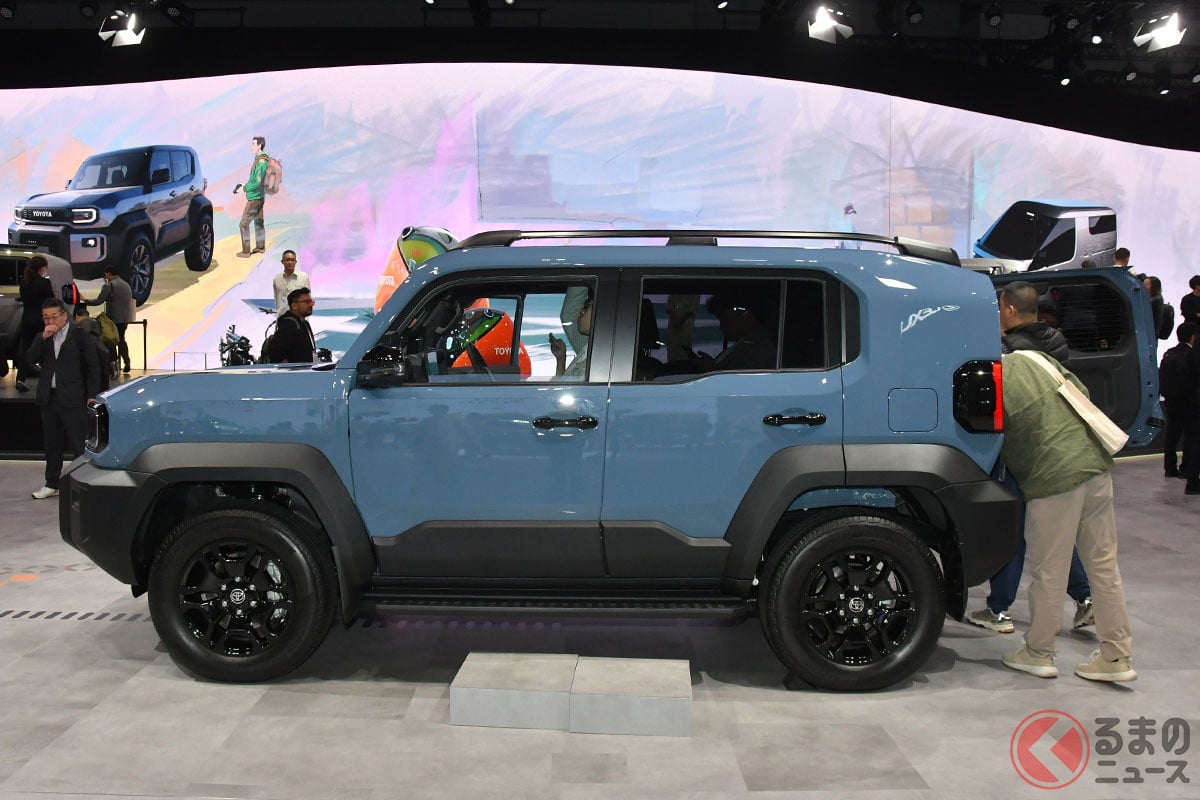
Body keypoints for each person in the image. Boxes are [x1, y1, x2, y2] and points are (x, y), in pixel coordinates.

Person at [998, 348, 1135, 682]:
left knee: (1050, 570)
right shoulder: (1035, 357)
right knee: (1103, 565)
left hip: (1052, 476)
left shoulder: (991, 375)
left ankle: (1039, 653)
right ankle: (1116, 657)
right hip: (1093, 464)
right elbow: (1079, 392)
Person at [969, 281, 1094, 634]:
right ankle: (1086, 597)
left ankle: (998, 609)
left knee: (1014, 530)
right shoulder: (1056, 342)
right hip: (1055, 448)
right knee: (1054, 532)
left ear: (1009, 310)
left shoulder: (1007, 350)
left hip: (1017, 450)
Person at [26, 298, 101, 500]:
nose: (50, 321)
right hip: (48, 398)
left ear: (64, 316)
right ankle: (52, 483)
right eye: (46, 317)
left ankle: (83, 484)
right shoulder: (43, 337)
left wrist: (92, 395)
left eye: (54, 317)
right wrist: (42, 338)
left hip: (73, 397)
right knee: (52, 444)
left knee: (78, 443)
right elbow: (29, 359)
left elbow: (93, 366)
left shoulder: (79, 335)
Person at [691, 292, 776, 371]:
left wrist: (712, 369)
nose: (721, 327)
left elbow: (744, 379)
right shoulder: (745, 344)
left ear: (745, 315)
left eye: (724, 320)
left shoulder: (761, 350)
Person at [1159, 322, 1199, 488]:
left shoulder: (1169, 353)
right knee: (1190, 436)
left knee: (1172, 435)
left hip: (1171, 401)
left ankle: (1170, 468)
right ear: (1193, 337)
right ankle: (1186, 469)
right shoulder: (1191, 355)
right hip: (1189, 402)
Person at [83, 266, 134, 374]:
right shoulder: (126, 285)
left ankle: (113, 366)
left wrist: (85, 300)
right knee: (121, 339)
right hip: (125, 318)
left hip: (113, 319)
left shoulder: (109, 285)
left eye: (106, 274)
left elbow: (99, 301)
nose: (105, 276)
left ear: (109, 273)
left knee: (110, 341)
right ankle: (126, 361)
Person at [14, 254, 54, 392]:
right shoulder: (44, 283)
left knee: (25, 350)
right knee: (46, 350)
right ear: (42, 268)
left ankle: (20, 379)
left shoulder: (24, 283)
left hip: (26, 320)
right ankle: (48, 380)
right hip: (41, 321)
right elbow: (50, 301)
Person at [234, 135, 269, 257]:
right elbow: (257, 180)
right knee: (258, 222)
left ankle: (246, 251)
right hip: (259, 196)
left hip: (255, 198)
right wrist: (245, 185)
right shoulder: (261, 160)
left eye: (253, 144)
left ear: (259, 145)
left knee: (243, 224)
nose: (251, 147)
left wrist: (244, 189)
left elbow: (257, 181)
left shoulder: (261, 162)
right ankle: (260, 247)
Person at [549, 287, 591, 379]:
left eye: (587, 307)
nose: (581, 311)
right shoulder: (589, 348)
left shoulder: (601, 356)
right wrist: (561, 360)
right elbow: (561, 386)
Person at [268, 287, 316, 363]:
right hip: (296, 370)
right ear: (294, 306)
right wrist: (289, 369)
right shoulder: (289, 324)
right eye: (306, 302)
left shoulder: (305, 324)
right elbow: (276, 353)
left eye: (311, 301)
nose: (311, 305)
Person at [73, 306, 112, 392]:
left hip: (96, 352)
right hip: (102, 350)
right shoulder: (94, 321)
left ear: (77, 316)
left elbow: (84, 336)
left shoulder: (85, 322)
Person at [272, 250, 310, 317]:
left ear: (295, 262)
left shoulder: (303, 277)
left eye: (292, 260)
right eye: (287, 260)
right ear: (282, 262)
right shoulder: (277, 279)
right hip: (282, 317)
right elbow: (277, 299)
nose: (290, 262)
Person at [1142, 275, 1174, 340]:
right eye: (1143, 284)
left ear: (1154, 287)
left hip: (1150, 335)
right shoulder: (1148, 298)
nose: (1143, 286)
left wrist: (1154, 336)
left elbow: (1157, 320)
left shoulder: (1156, 300)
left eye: (1147, 285)